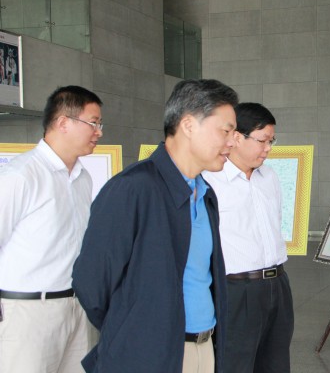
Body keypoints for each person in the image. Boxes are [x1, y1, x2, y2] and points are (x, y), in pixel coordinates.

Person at [72, 79, 238, 373]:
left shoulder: (205, 194)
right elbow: (92, 282)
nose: (232, 142)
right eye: (225, 131)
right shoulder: (133, 188)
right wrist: (134, 332)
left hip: (204, 348)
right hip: (147, 356)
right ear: (188, 125)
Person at [0, 85, 103, 373]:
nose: (99, 132)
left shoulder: (83, 178)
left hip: (76, 308)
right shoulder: (20, 175)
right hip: (27, 312)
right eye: (93, 123)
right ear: (63, 122)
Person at [203, 102, 294, 373]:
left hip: (277, 284)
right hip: (237, 289)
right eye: (262, 140)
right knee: (236, 364)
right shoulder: (211, 180)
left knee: (276, 363)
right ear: (236, 137)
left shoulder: (270, 176)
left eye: (271, 141)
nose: (268, 148)